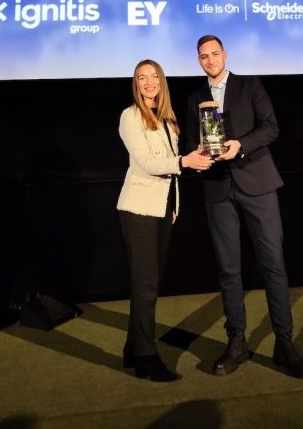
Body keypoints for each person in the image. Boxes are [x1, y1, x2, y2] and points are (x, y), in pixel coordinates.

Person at [187, 36, 303, 378]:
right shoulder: (195, 98)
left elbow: (270, 127)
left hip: (257, 183)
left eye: (215, 54)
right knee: (228, 269)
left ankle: (284, 344)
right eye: (204, 56)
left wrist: (240, 145)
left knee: (273, 264)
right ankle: (236, 342)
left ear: (225, 54)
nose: (210, 60)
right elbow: (190, 141)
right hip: (218, 188)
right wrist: (199, 154)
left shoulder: (249, 85)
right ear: (198, 61)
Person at [118, 59, 213, 382]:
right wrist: (185, 161)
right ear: (136, 84)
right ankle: (146, 357)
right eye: (142, 77)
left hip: (161, 208)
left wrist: (175, 201)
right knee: (146, 287)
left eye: (154, 76)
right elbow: (147, 163)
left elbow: (172, 166)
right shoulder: (130, 116)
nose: (149, 82)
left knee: (148, 285)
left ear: (162, 81)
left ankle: (133, 348)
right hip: (139, 210)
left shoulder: (167, 119)